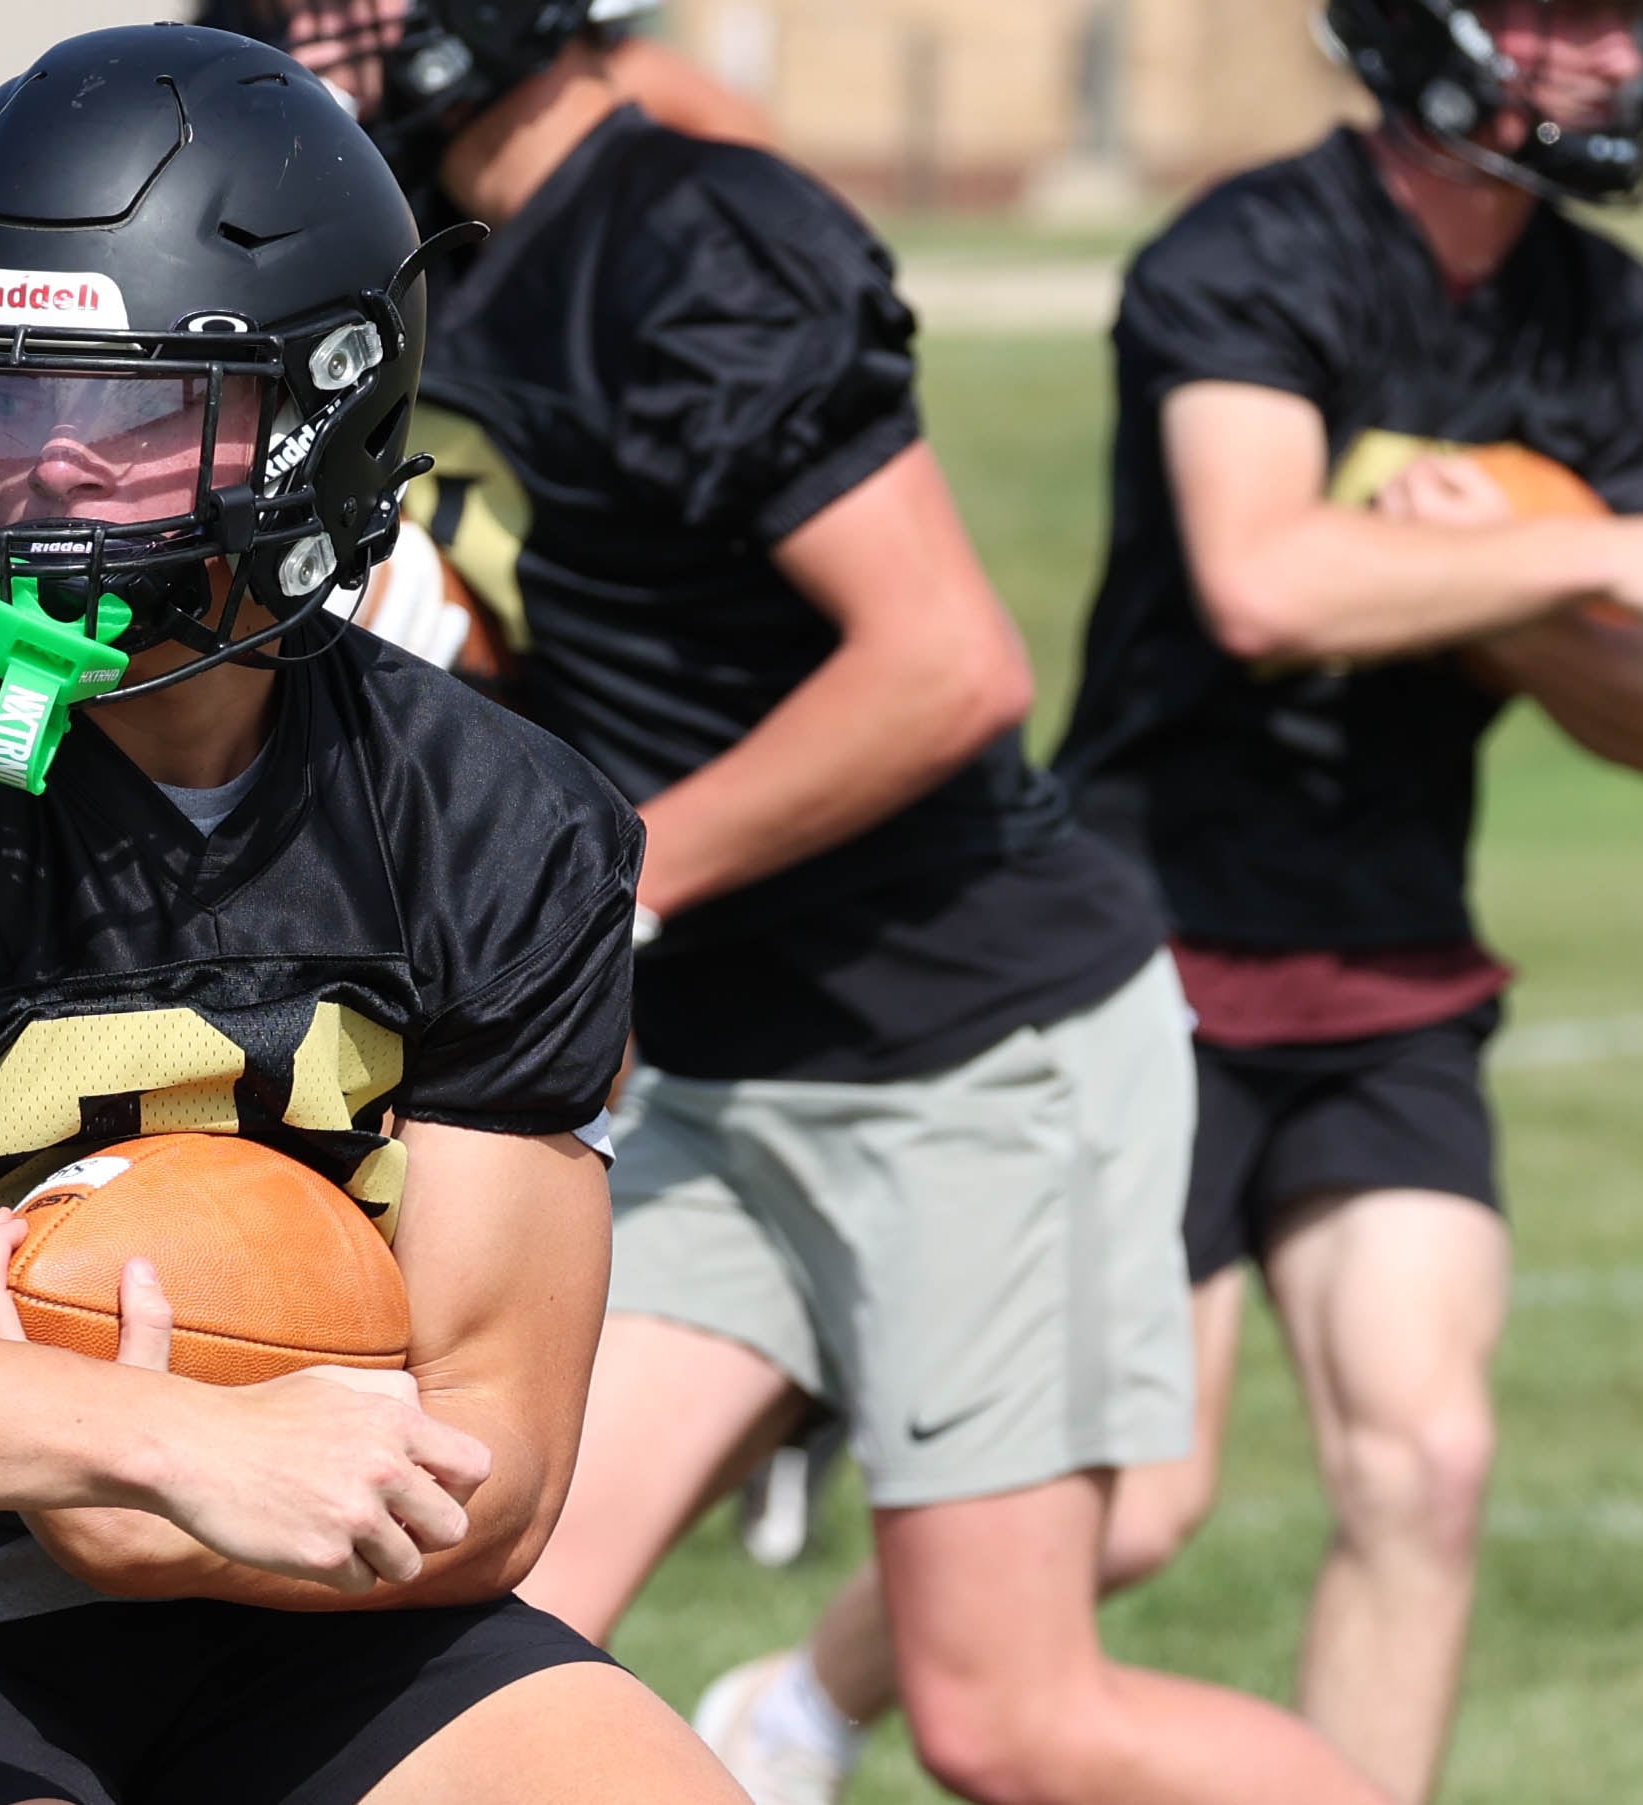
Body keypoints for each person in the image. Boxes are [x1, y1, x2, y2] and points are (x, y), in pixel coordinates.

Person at [0, 25, 751, 1805]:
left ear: (322, 419)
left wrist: (190, 1507)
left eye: (124, 413)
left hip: (303, 1568)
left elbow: (497, 1449)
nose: (42, 469)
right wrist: (148, 1442)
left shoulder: (495, 824)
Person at [214, 7, 1396, 1805]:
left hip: (969, 1055)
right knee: (454, 1629)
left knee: (1015, 1721)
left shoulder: (686, 234)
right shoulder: (438, 257)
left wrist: (603, 890)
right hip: (731, 1075)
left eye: (329, 2)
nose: (291, 38)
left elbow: (943, 663)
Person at [711, 3, 1643, 1801]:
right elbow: (1263, 575)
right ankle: (796, 1707)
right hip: (1144, 954)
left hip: (1397, 970)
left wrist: (1488, 583)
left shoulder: (1634, 334)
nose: (1607, 57)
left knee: (1425, 1458)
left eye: (1627, 20)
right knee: (1131, 1506)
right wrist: (1582, 550)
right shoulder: (1248, 253)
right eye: (1557, 12)